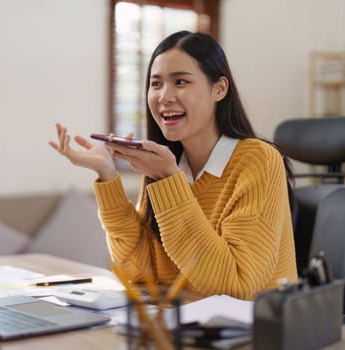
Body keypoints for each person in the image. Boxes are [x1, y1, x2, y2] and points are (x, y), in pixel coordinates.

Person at [48, 31, 297, 300]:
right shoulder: (166, 164)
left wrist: (168, 180)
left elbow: (235, 285)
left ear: (219, 89)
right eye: (155, 84)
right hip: (181, 321)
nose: (164, 97)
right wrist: (107, 175)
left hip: (251, 332)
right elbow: (136, 270)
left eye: (180, 81)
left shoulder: (259, 160)